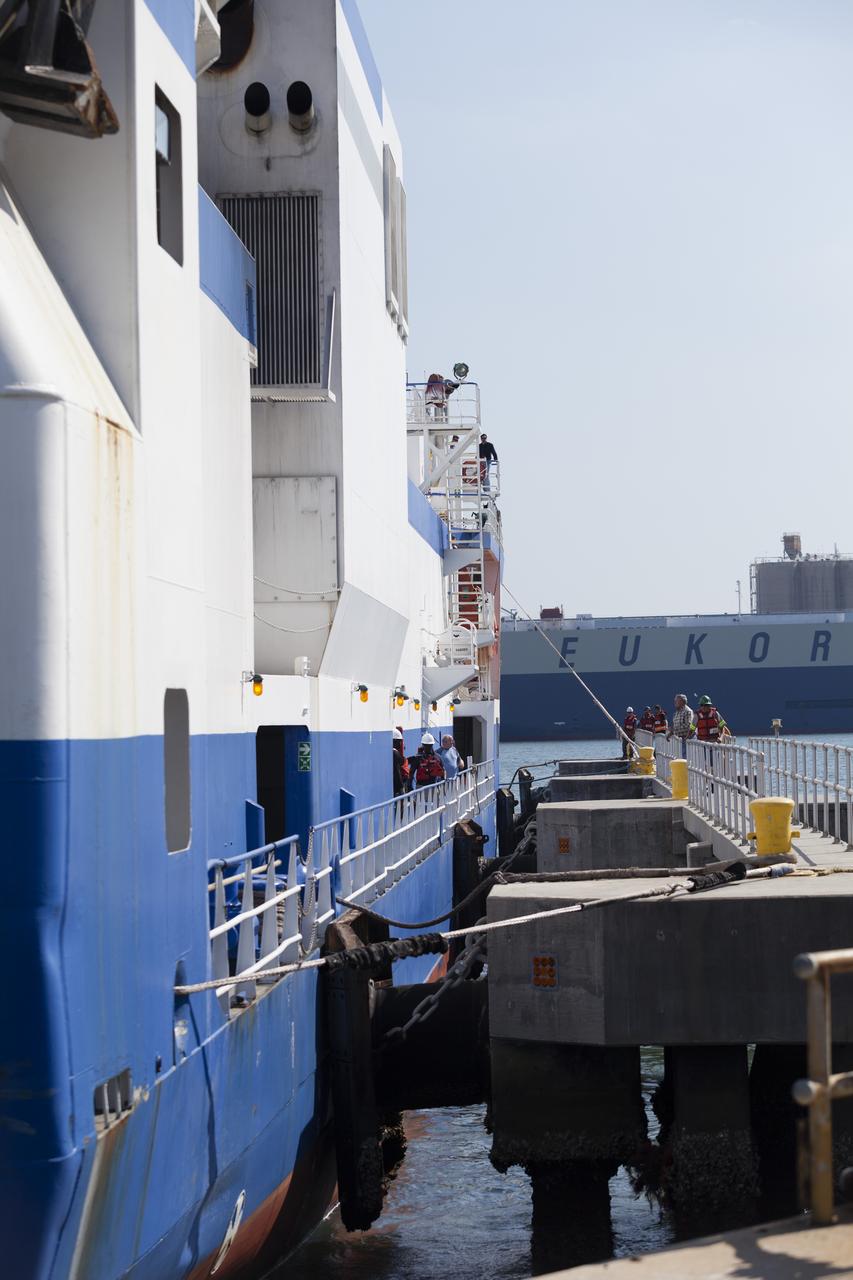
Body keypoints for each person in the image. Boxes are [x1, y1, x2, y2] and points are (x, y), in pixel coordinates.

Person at [392, 727, 410, 796]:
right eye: (399, 741)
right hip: (397, 788)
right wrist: (401, 787)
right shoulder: (395, 753)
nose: (400, 744)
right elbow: (397, 771)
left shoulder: (391, 752)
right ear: (394, 741)